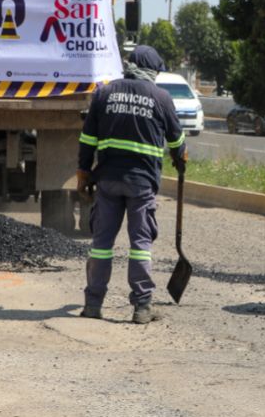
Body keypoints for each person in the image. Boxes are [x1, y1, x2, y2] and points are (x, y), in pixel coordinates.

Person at [77, 45, 186, 323]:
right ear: (151, 70)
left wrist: (83, 173)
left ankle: (93, 304)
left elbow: (87, 139)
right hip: (141, 183)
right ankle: (142, 307)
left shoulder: (104, 93)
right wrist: (180, 158)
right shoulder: (161, 97)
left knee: (101, 243)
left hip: (108, 181)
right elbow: (177, 140)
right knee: (140, 244)